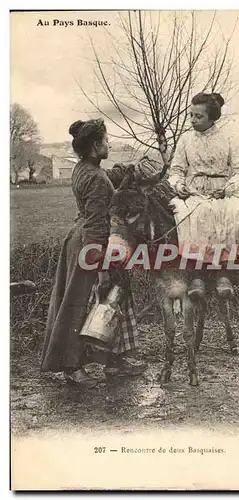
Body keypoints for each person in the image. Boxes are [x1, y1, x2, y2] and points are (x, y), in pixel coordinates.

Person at [41, 118, 147, 388]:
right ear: (95, 146)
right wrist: (101, 263)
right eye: (106, 141)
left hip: (78, 239)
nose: (109, 144)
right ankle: (72, 368)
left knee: (106, 300)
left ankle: (113, 361)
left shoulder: (82, 169)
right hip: (91, 242)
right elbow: (97, 220)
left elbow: (98, 194)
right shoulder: (97, 178)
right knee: (83, 303)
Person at [168, 92, 239, 275]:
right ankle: (196, 271)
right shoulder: (185, 140)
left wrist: (228, 189)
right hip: (193, 193)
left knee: (236, 210)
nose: (192, 120)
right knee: (185, 211)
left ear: (212, 117)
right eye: (191, 115)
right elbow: (176, 171)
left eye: (199, 116)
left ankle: (225, 270)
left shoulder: (229, 138)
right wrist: (180, 186)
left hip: (222, 191)